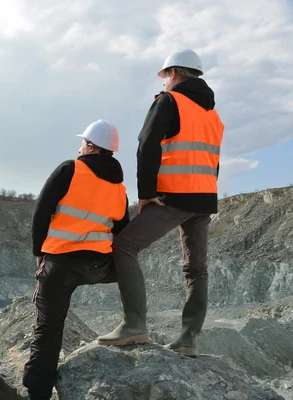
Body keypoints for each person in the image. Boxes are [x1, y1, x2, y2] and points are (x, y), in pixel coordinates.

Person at [96, 49, 225, 357]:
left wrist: (145, 193)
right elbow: (213, 161)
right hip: (204, 198)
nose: (165, 81)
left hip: (173, 196)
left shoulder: (169, 101)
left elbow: (147, 143)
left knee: (124, 246)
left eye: (166, 75)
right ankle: (187, 339)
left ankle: (134, 326)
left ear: (175, 73)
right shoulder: (213, 114)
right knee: (196, 268)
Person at [22, 120, 130, 400]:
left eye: (83, 141)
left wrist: (39, 252)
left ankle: (37, 392)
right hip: (99, 266)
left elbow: (41, 211)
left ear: (91, 146)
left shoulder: (70, 169)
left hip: (60, 264)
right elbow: (123, 231)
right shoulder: (120, 187)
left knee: (47, 330)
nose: (80, 145)